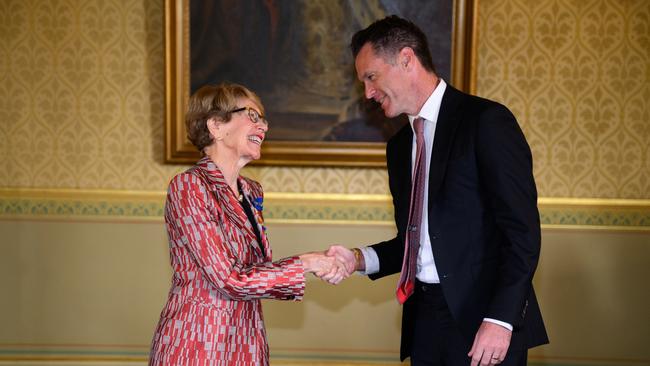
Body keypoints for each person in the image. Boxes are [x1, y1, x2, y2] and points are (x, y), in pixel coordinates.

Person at [328, 16, 548, 366]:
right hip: (425, 322)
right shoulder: (399, 146)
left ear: (406, 59)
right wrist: (358, 259)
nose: (367, 93)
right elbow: (415, 241)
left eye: (371, 77)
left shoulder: (485, 121)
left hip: (485, 324)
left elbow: (521, 233)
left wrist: (501, 319)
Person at [149, 83, 347, 365]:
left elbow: (256, 272)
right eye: (252, 116)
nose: (263, 127)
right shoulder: (190, 186)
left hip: (247, 343)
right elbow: (229, 280)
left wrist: (318, 265)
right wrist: (306, 263)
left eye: (263, 119)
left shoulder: (252, 191)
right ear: (216, 126)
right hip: (198, 345)